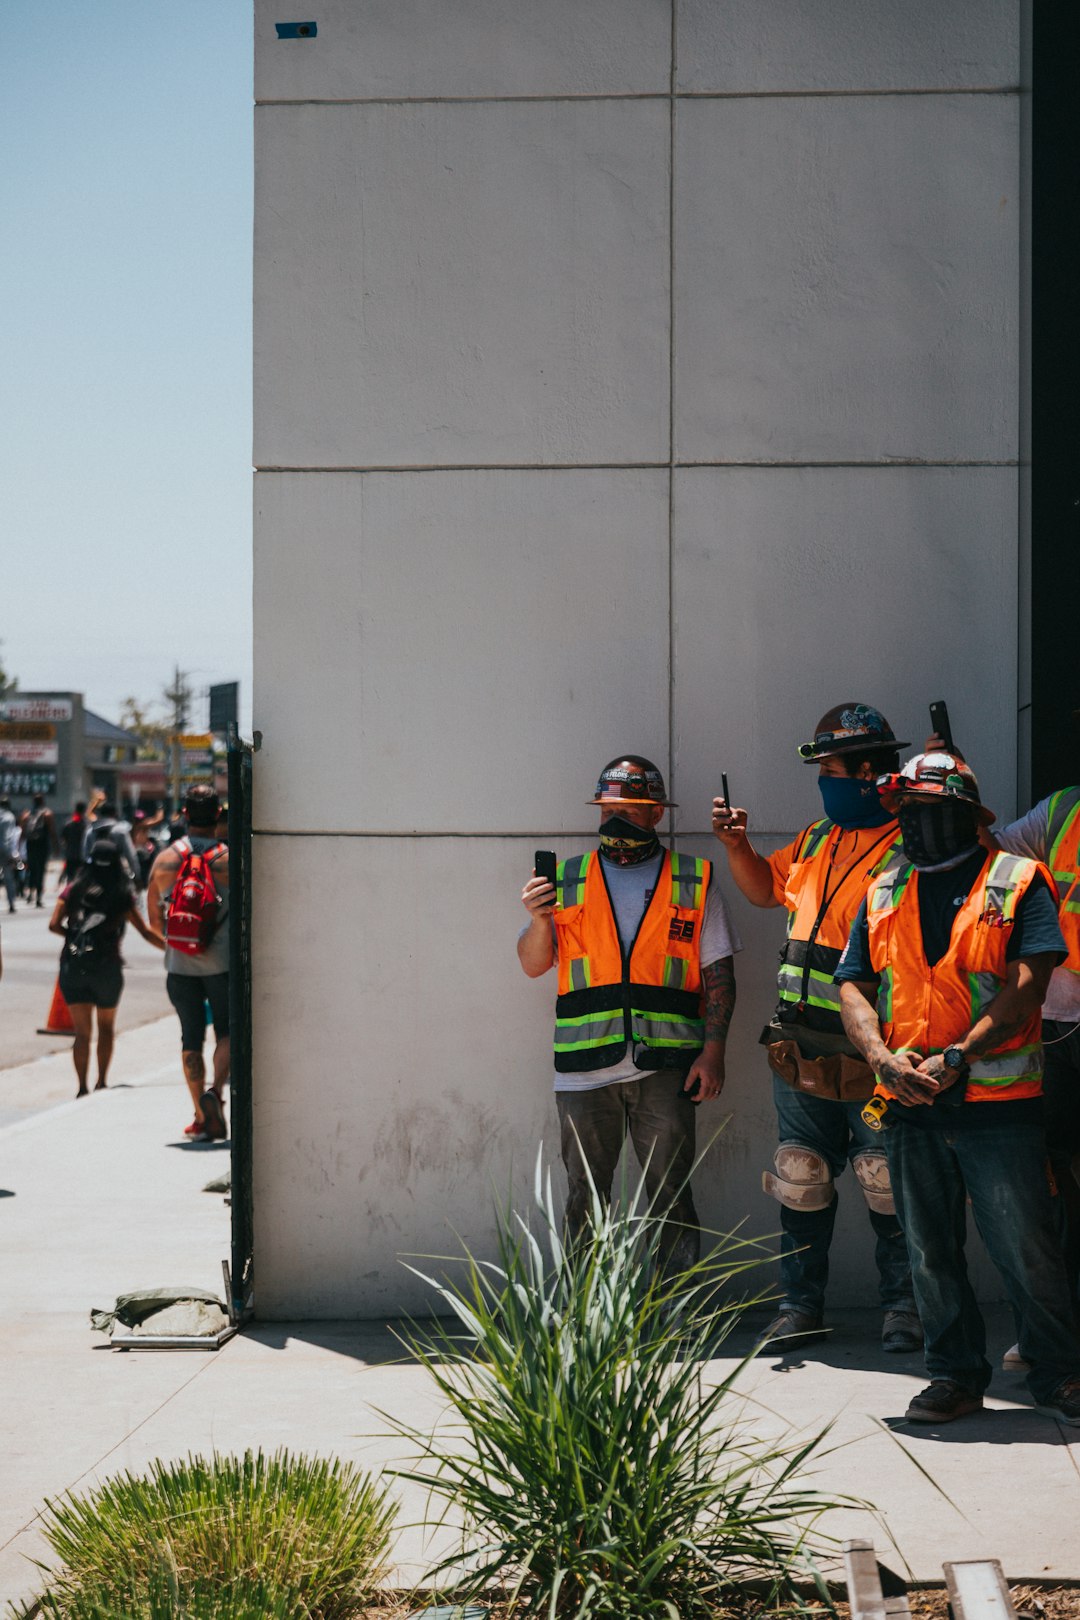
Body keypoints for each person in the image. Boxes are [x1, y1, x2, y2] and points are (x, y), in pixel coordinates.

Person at [837, 750, 1080, 1425]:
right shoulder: (884, 890)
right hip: (912, 1105)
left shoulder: (1016, 880)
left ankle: (1059, 1372)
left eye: (925, 810)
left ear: (964, 815)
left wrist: (958, 1055)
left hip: (1000, 1108)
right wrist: (882, 1057)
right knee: (929, 1254)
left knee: (1027, 1250)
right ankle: (953, 1377)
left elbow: (1029, 983)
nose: (913, 823)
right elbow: (852, 983)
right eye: (905, 811)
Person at [711, 703, 920, 1354]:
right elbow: (763, 892)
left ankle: (905, 1309)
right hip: (798, 1045)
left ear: (865, 774)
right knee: (800, 1177)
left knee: (885, 1181)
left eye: (828, 769)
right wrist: (737, 846)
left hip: (875, 1051)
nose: (821, 782)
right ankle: (800, 1308)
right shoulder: (813, 840)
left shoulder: (914, 844)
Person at [518, 755, 741, 1274]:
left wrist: (714, 1052)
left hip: (666, 1067)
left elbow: (719, 976)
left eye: (634, 811)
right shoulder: (565, 879)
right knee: (583, 1199)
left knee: (671, 1199)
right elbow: (533, 965)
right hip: (582, 1071)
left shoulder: (694, 878)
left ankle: (672, 1313)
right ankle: (584, 1312)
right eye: (609, 810)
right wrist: (536, 919)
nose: (618, 821)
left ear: (657, 813)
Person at [146, 785, 230, 1142]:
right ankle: (216, 1092)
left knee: (190, 1038)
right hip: (223, 964)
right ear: (217, 816)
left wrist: (178, 938)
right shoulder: (229, 858)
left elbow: (153, 921)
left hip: (180, 965)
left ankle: (200, 1114)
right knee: (227, 1032)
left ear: (183, 813)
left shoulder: (165, 859)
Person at [49, 838, 163, 1097]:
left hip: (73, 966)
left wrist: (75, 937)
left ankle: (81, 1087)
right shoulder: (122, 894)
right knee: (106, 1028)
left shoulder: (73, 889)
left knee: (81, 1033)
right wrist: (171, 949)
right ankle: (101, 1081)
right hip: (107, 968)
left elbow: (54, 924)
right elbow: (145, 932)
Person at [83, 799, 139, 882]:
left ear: (100, 814)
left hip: (94, 876)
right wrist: (137, 876)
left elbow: (84, 856)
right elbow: (131, 856)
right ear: (114, 814)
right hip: (116, 875)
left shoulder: (90, 831)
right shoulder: (121, 831)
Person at [24, 793, 58, 907]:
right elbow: (52, 831)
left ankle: (29, 893)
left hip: (30, 844)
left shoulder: (27, 814)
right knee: (41, 870)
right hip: (42, 844)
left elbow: (23, 832)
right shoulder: (47, 813)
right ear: (43, 801)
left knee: (31, 869)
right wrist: (55, 847)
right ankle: (38, 896)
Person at [60, 801, 89, 887]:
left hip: (70, 855)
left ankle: (69, 895)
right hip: (82, 856)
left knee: (70, 878)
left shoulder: (68, 823)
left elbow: (63, 839)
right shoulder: (87, 825)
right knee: (82, 877)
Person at [0, 797, 19, 914]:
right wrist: (13, 853)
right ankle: (11, 903)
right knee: (8, 877)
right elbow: (11, 835)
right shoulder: (9, 817)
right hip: (5, 848)